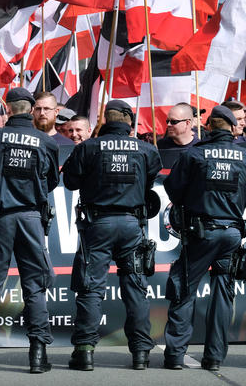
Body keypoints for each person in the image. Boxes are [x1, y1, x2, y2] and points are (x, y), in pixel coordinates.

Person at [62, 100, 160, 371]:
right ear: (128, 120)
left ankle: (84, 351)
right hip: (132, 225)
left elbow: (70, 181)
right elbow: (149, 182)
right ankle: (141, 353)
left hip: (98, 225)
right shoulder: (147, 149)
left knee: (91, 288)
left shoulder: (88, 148)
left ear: (106, 120)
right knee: (136, 289)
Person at [0, 88, 59, 374]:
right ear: (31, 110)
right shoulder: (46, 141)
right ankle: (38, 353)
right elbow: (52, 181)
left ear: (7, 109)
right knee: (35, 286)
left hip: (0, 218)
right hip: (31, 218)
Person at [162, 105, 246, 371]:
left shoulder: (194, 154)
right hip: (231, 231)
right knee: (223, 293)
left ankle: (175, 355)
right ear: (231, 128)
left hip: (200, 232)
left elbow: (173, 190)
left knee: (184, 288)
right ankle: (215, 357)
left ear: (208, 127)